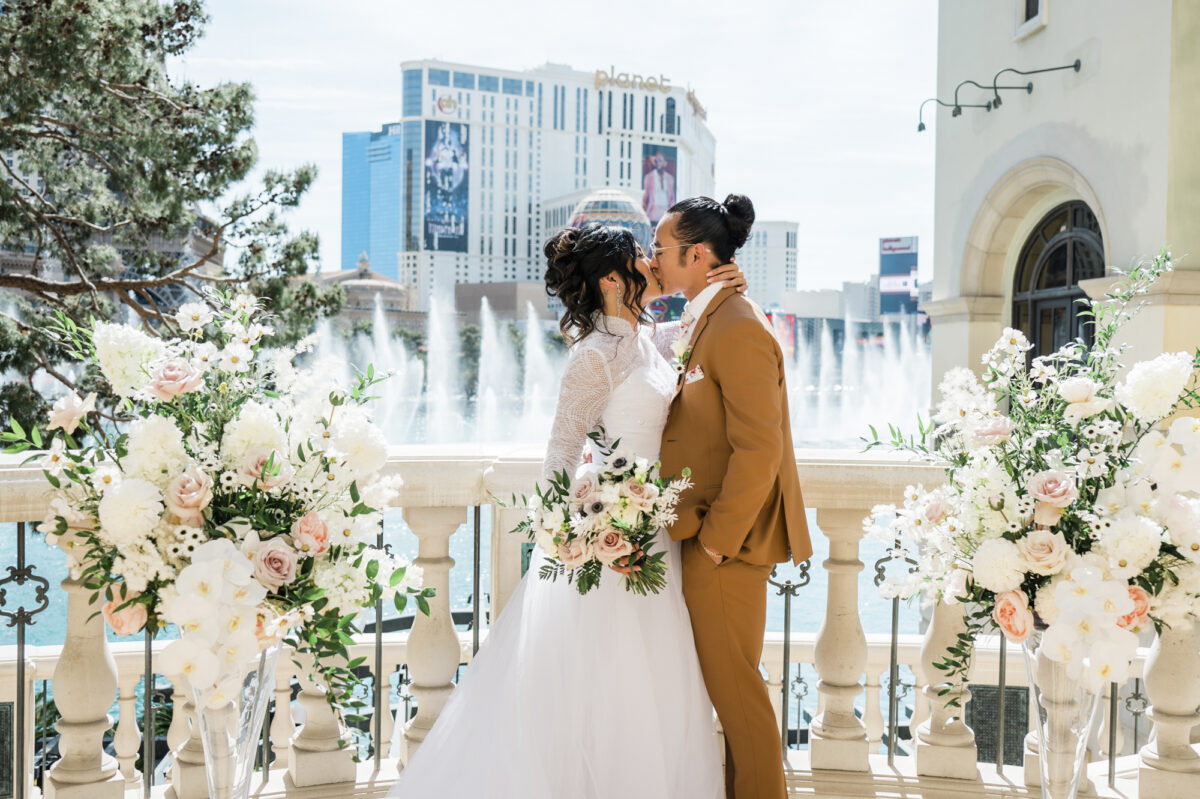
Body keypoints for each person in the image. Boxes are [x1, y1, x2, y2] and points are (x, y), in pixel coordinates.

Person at [388, 223, 749, 798]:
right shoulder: (594, 355)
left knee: (653, 687)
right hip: (607, 551)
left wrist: (728, 286)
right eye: (641, 256)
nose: (654, 263)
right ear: (613, 278)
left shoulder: (651, 340)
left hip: (654, 536)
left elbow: (704, 335)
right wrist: (580, 534)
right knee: (605, 687)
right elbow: (559, 453)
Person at [650, 194, 812, 799]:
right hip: (705, 540)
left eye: (660, 250)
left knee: (739, 701)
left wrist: (717, 542)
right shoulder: (709, 316)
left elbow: (759, 451)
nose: (652, 259)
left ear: (696, 253)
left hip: (726, 548)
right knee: (727, 697)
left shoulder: (739, 327)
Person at [642, 151, 675, 223]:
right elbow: (645, 195)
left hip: (666, 211)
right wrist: (643, 211)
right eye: (656, 160)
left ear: (664, 162)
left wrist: (672, 213)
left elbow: (672, 197)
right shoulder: (649, 177)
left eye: (660, 160)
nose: (658, 162)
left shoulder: (670, 178)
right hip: (653, 212)